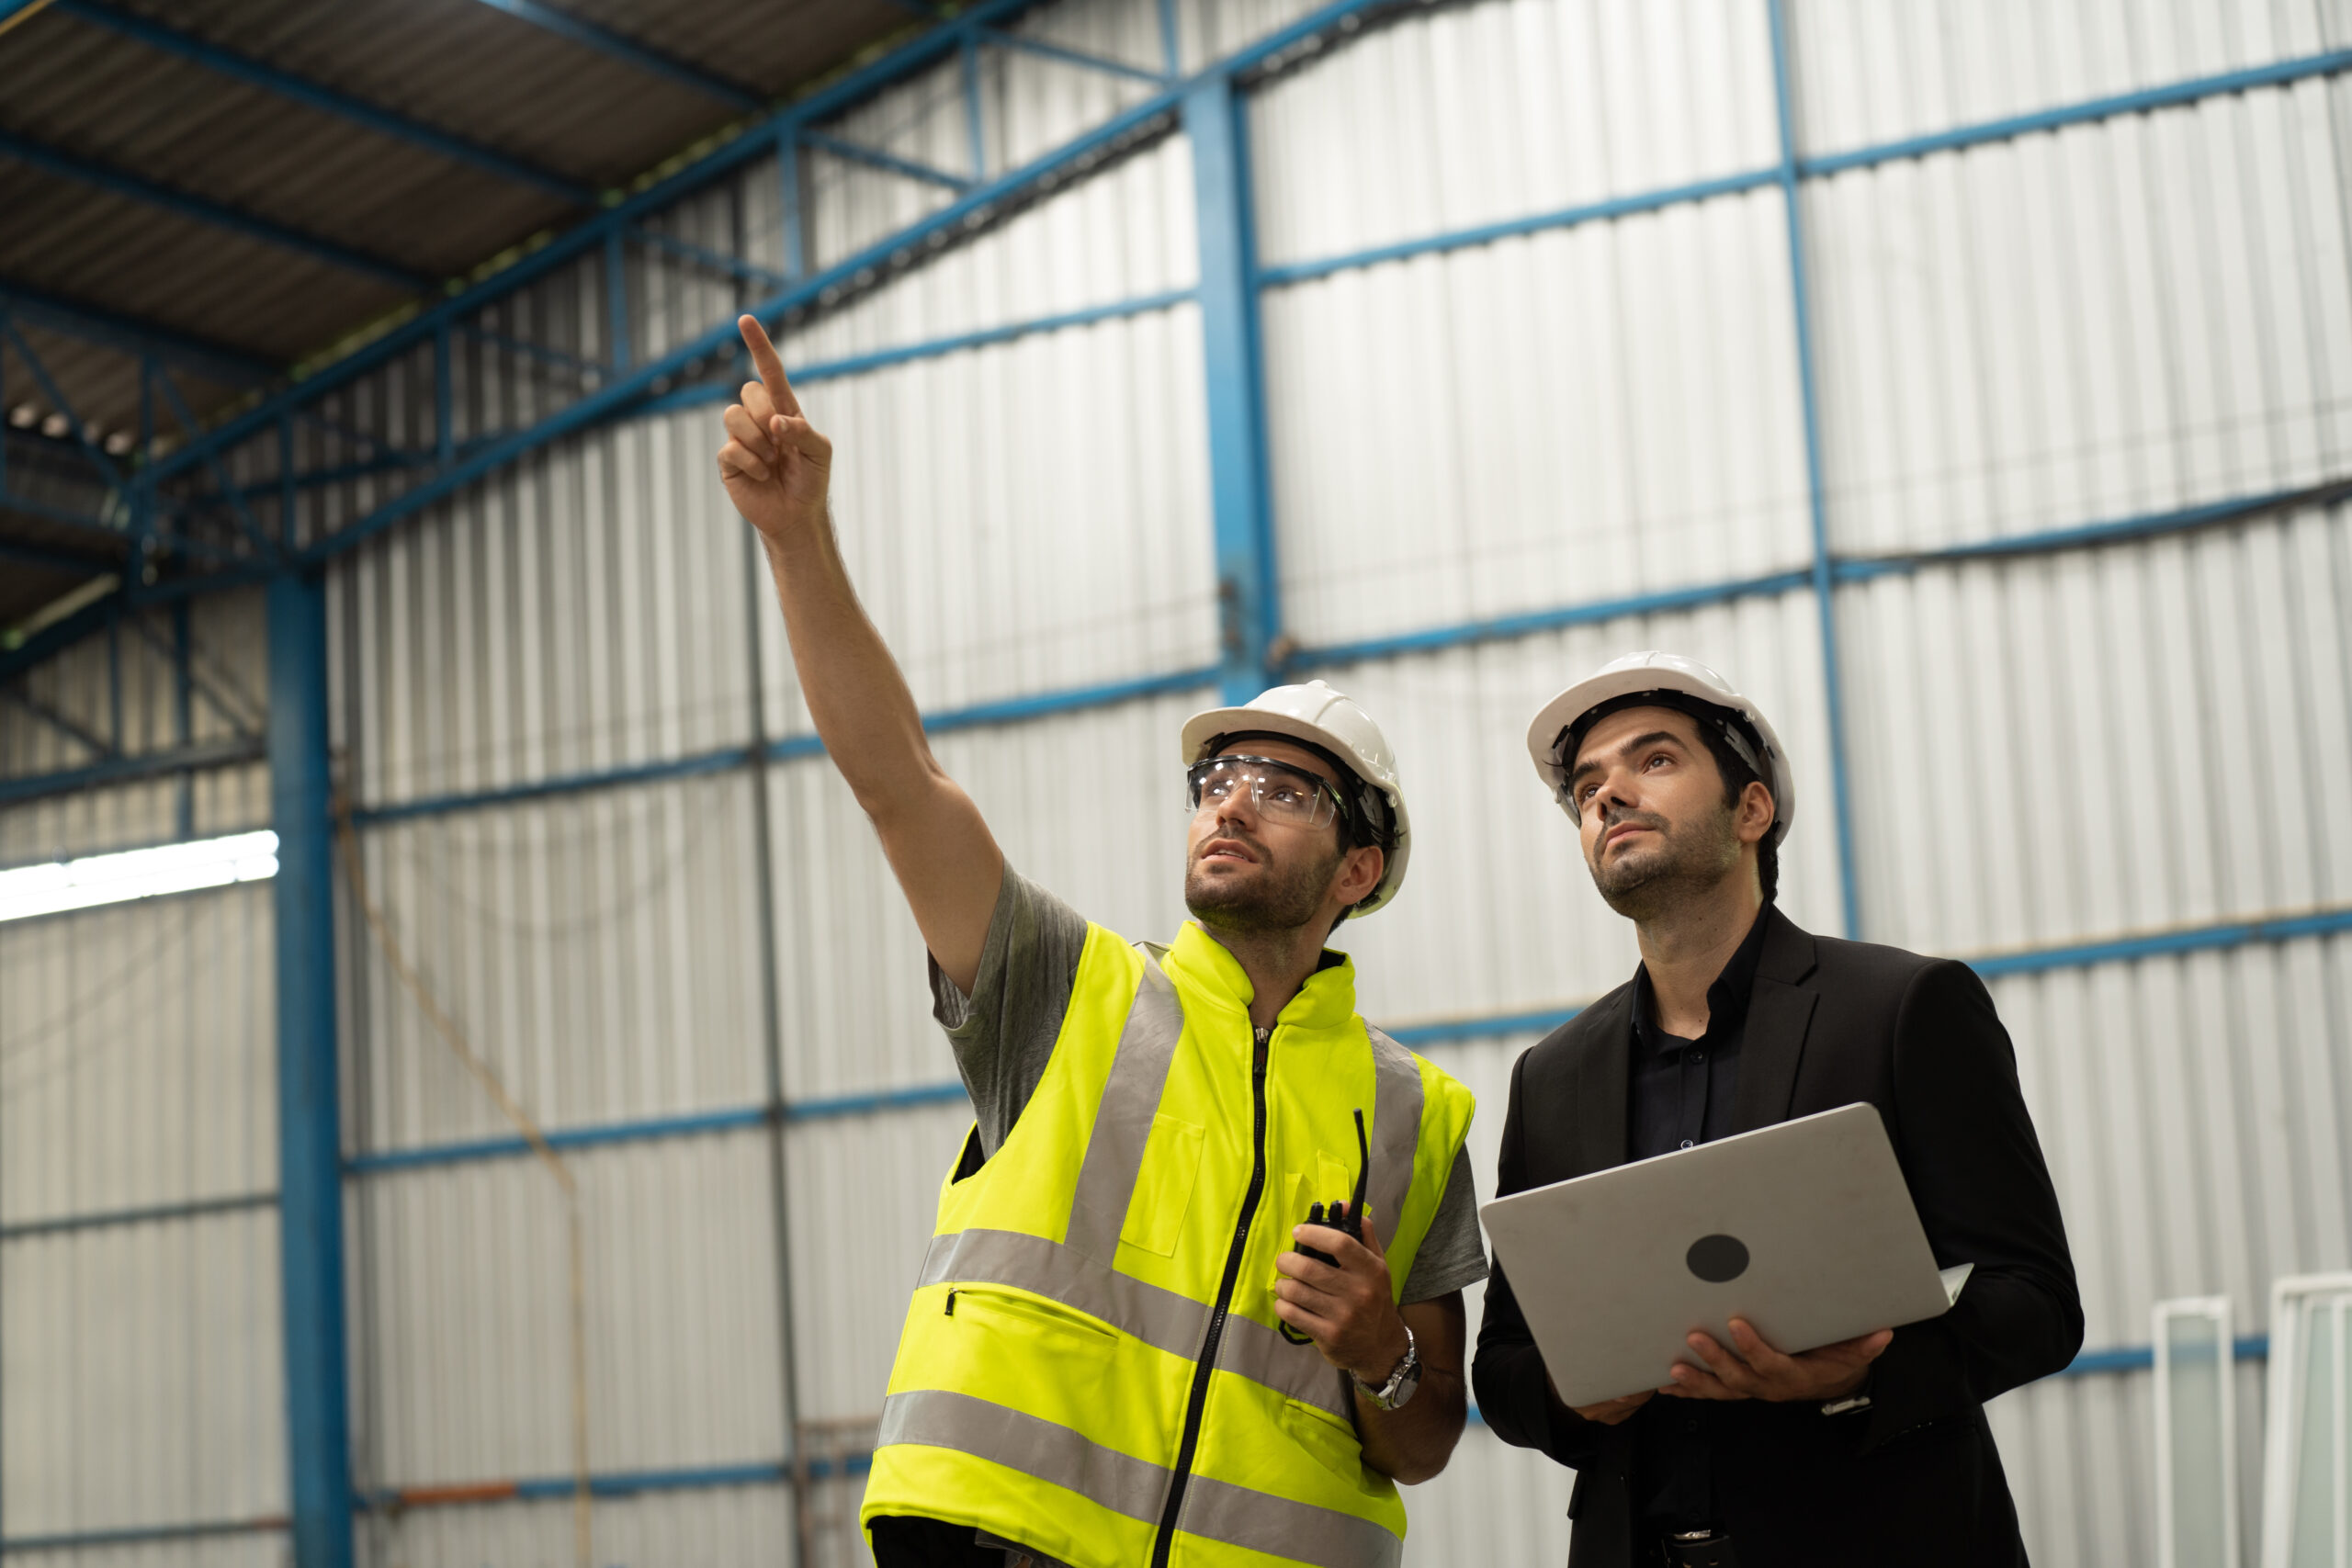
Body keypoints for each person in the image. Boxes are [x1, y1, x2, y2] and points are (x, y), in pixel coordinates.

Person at [714, 314, 1485, 1568]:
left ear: (1360, 867)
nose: (1230, 797)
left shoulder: (1420, 1115)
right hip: (1008, 1543)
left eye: (1286, 789)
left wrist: (1382, 1351)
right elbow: (899, 782)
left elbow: (1427, 1435)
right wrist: (798, 539)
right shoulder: (1066, 988)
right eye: (1220, 774)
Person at [1472, 651, 2083, 1568]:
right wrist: (1573, 1393)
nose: (1608, 794)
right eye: (1589, 784)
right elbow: (1507, 1369)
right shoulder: (1549, 1077)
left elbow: (2034, 1303)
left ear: (1750, 810)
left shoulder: (1903, 1008)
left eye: (1654, 760)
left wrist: (1865, 1373)